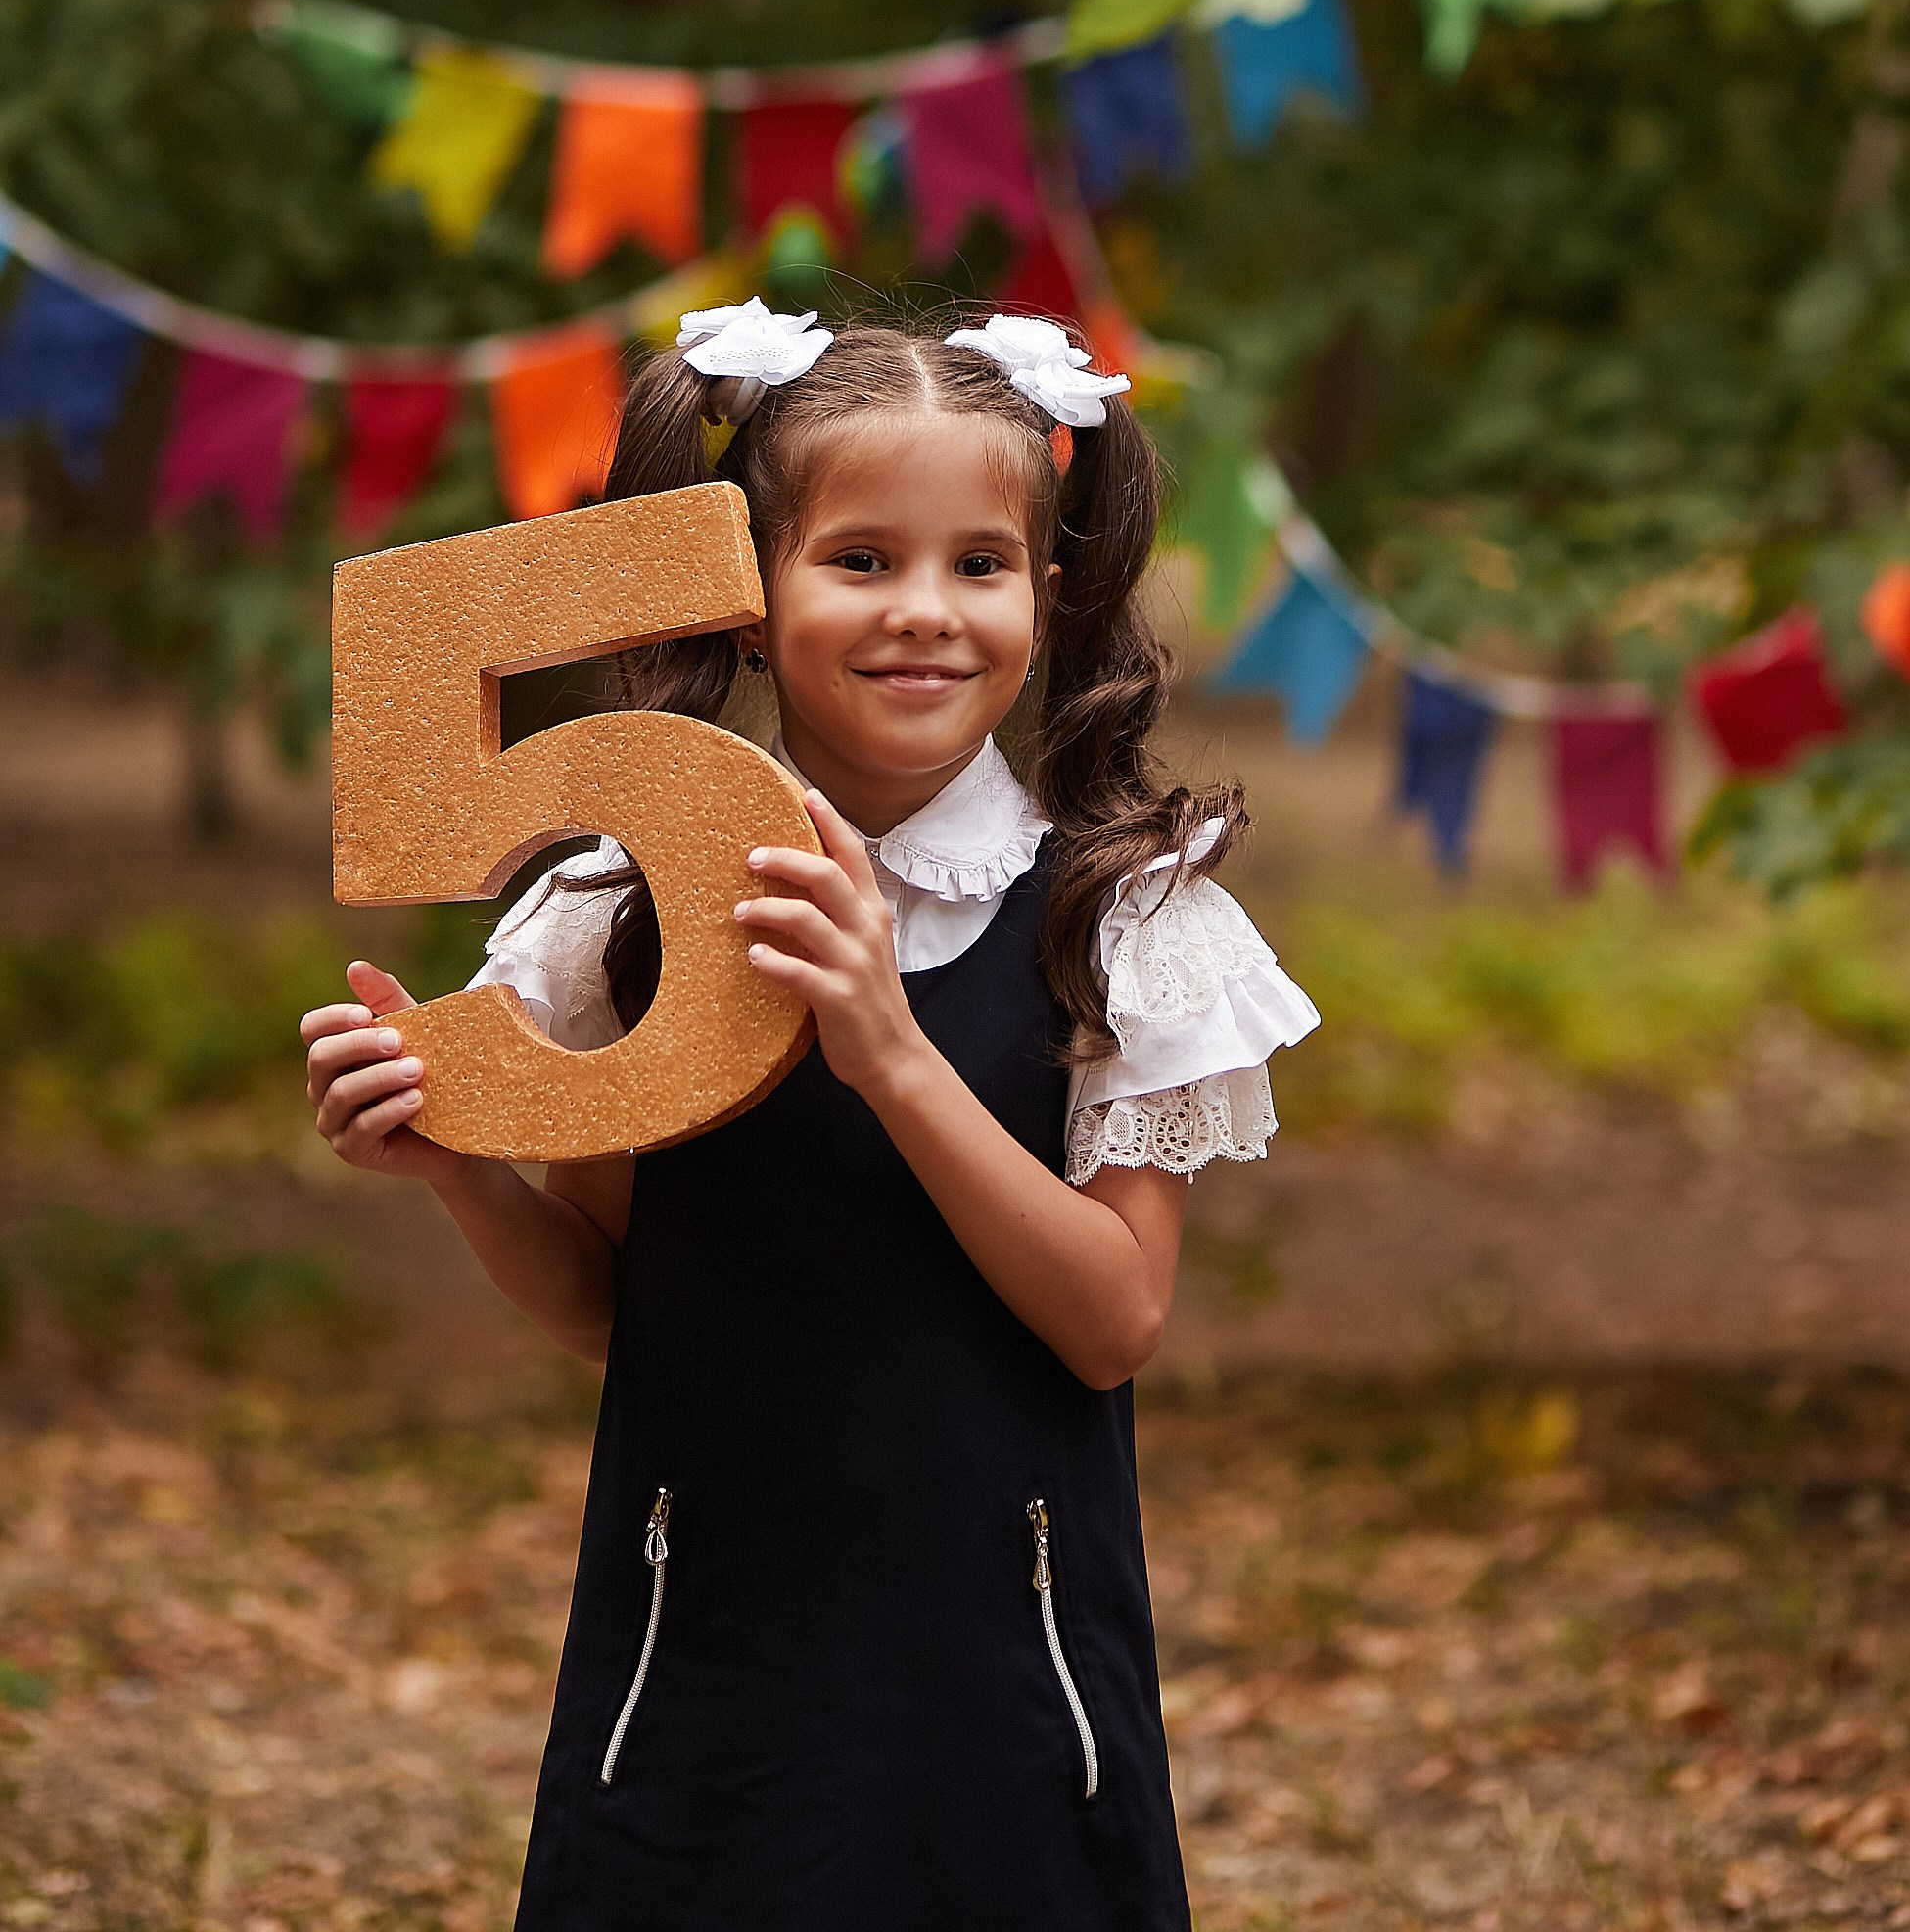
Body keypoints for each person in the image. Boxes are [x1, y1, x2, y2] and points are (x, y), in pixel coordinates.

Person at [301, 306, 1317, 1932]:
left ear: (1046, 597)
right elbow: (610, 1309)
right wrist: (457, 1170)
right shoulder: (621, 914)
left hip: (1003, 1685)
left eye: (979, 563)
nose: (923, 609)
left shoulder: (1120, 917)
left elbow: (1113, 1320)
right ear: (751, 601)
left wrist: (888, 1049)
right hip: (697, 1672)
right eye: (857, 560)